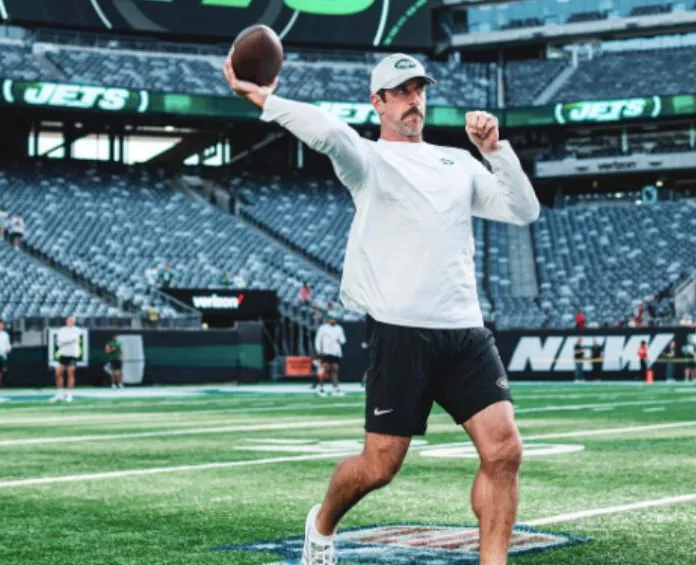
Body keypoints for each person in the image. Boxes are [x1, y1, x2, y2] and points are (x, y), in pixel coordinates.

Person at [224, 50, 539, 565]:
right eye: (401, 92)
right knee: (380, 466)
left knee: (505, 451)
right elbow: (328, 132)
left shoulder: (458, 162)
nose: (414, 100)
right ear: (378, 102)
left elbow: (523, 211)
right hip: (401, 333)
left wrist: (495, 150)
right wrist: (264, 99)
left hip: (465, 332)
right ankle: (322, 522)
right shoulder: (369, 161)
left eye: (419, 90)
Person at [51, 316, 84, 403]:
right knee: (58, 373)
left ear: (74, 322)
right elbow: (59, 342)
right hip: (62, 355)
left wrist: (64, 341)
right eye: (69, 320)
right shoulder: (62, 330)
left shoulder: (77, 330)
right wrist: (64, 341)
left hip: (72, 355)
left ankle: (69, 395)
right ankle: (59, 394)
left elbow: (72, 339)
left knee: (70, 373)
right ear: (66, 321)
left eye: (72, 320)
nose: (70, 322)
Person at [314, 318, 347, 397]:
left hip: (336, 352)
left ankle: (335, 389)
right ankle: (320, 388)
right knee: (325, 369)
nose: (333, 321)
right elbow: (318, 340)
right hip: (326, 351)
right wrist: (318, 350)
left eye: (334, 319)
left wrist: (340, 340)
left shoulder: (339, 328)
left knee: (335, 369)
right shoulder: (323, 328)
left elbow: (343, 340)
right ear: (328, 320)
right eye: (331, 319)